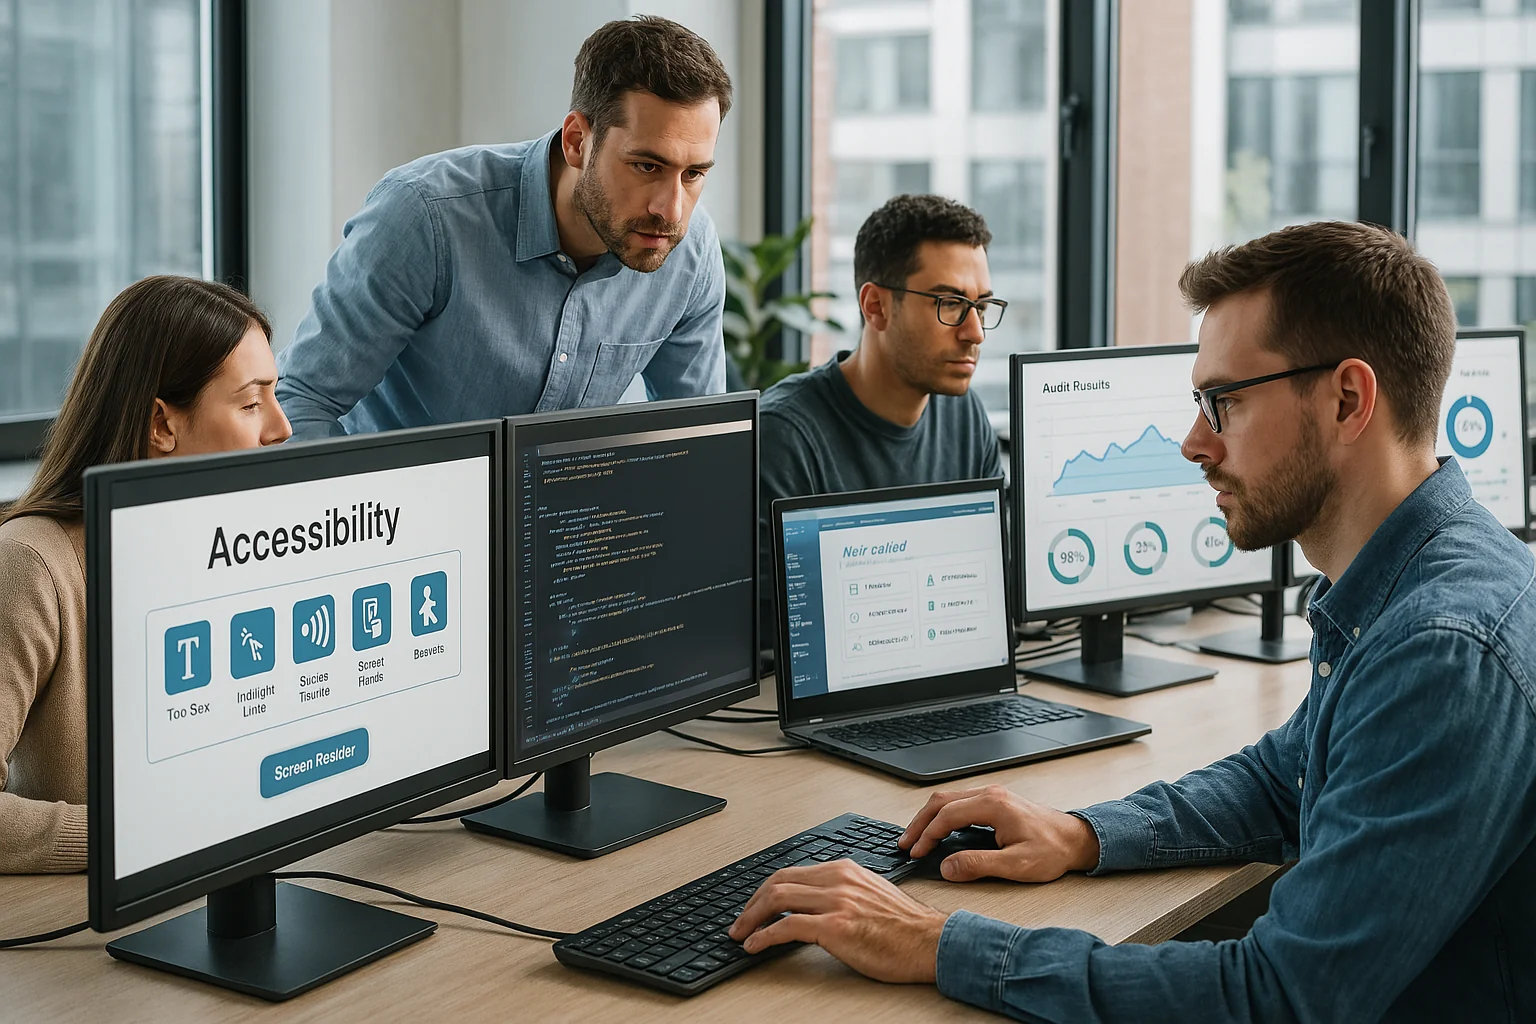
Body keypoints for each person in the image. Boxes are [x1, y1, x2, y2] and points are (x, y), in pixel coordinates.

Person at [729, 221, 1536, 1021]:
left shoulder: (1441, 651)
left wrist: (937, 943)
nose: (1194, 443)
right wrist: (1081, 834)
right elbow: (1281, 780)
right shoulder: (1416, 580)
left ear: (1349, 399)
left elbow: (1277, 999)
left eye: (1223, 402)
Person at [276, 16, 732, 440]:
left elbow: (697, 444)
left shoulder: (688, 253)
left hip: (568, 520)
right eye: (647, 165)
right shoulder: (425, 216)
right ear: (577, 141)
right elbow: (302, 404)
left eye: (693, 174)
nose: (671, 210)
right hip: (400, 515)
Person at [0, 276, 292, 874]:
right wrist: (140, 835)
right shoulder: (32, 565)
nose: (281, 428)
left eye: (277, 395)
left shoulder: (241, 548)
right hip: (86, 927)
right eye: (251, 402)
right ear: (162, 424)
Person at [757, 194, 1005, 637]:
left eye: (981, 306)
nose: (976, 333)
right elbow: (777, 636)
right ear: (876, 307)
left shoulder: (963, 415)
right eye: (949, 304)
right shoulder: (784, 439)